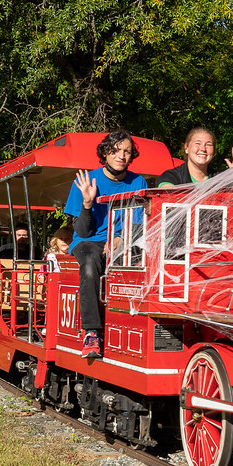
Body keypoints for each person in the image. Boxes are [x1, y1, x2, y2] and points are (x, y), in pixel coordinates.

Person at [64, 130, 147, 358]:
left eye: (127, 151)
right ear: (105, 153)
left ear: (132, 157)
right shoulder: (86, 181)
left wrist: (121, 237)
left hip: (125, 239)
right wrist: (87, 204)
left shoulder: (138, 182)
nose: (121, 155)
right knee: (90, 263)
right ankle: (91, 332)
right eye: (116, 150)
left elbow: (139, 223)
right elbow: (81, 230)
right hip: (89, 241)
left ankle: (142, 325)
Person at [157, 127, 233, 187]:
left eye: (208, 145)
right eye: (198, 143)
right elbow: (167, 196)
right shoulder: (171, 177)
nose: (203, 149)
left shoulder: (220, 179)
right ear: (186, 148)